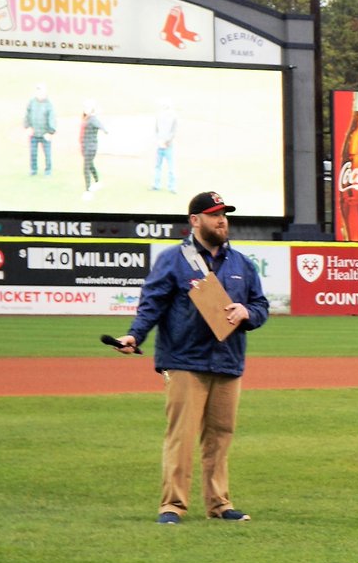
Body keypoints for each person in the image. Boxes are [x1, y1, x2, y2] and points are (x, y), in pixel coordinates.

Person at [115, 191, 268, 525]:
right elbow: (151, 304)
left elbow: (261, 306)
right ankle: (172, 506)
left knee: (220, 436)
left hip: (228, 360)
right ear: (195, 220)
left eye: (224, 214)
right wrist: (134, 335)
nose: (222, 220)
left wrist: (247, 312)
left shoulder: (242, 263)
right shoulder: (174, 259)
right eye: (214, 215)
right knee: (181, 436)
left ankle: (219, 504)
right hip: (185, 360)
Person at [24, 83, 56, 177]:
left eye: (41, 92)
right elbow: (27, 115)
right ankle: (33, 170)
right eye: (38, 91)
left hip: (45, 134)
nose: (40, 94)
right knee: (33, 153)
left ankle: (48, 171)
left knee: (47, 154)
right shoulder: (32, 102)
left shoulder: (49, 104)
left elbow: (52, 119)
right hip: (34, 133)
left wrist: (50, 132)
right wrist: (28, 127)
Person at [80, 100, 107, 200]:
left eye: (88, 108)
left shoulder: (92, 119)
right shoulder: (87, 118)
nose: (85, 109)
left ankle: (88, 191)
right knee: (90, 166)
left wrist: (105, 130)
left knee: (85, 168)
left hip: (90, 148)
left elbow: (102, 126)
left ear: (91, 109)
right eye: (85, 107)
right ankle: (97, 182)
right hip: (87, 147)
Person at [153, 98, 178, 193]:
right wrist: (159, 141)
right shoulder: (159, 117)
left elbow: (173, 132)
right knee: (157, 166)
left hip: (168, 146)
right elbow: (156, 130)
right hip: (159, 145)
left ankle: (172, 187)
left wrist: (166, 142)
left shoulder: (174, 117)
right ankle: (156, 185)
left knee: (171, 167)